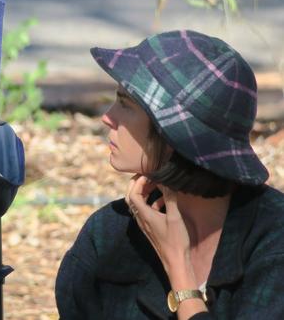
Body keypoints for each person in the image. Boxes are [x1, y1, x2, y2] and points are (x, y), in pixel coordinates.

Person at [55, 30, 284, 319]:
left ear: (172, 136)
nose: (107, 117)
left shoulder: (272, 239)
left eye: (125, 104)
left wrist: (179, 268)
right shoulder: (105, 235)